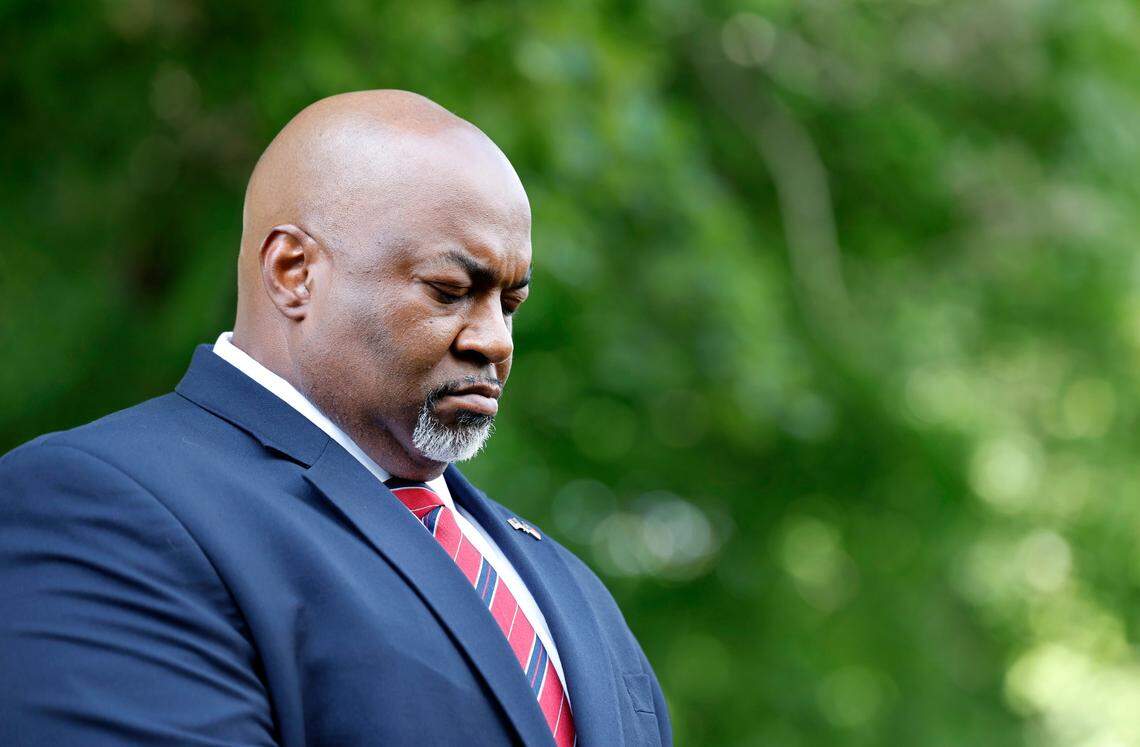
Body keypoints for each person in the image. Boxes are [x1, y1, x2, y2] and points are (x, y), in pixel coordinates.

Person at [0, 90, 671, 746]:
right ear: (293, 272)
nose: (495, 340)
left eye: (510, 304)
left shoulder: (562, 583)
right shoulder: (103, 508)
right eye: (450, 290)